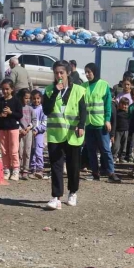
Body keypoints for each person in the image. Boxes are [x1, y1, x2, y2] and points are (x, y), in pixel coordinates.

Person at [44, 60, 87, 209]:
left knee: (73, 166)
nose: (58, 75)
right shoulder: (49, 90)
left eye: (61, 72)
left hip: (72, 134)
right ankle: (56, 197)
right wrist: (56, 91)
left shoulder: (79, 90)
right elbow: (47, 110)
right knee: (56, 165)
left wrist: (81, 125)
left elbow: (83, 110)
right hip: (55, 134)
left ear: (68, 73)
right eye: (56, 73)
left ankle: (73, 192)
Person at [82, 63, 122, 183]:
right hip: (89, 124)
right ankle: (95, 173)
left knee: (105, 149)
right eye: (86, 72)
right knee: (91, 149)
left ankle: (111, 172)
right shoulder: (83, 86)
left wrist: (107, 120)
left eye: (89, 72)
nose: (87, 74)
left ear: (95, 71)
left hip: (101, 124)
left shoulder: (104, 85)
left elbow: (107, 105)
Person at [0, 79, 23, 181]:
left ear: (12, 89)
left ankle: (15, 170)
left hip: (13, 128)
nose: (5, 91)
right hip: (2, 128)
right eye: (3, 89)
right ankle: (6, 169)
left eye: (7, 89)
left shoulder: (16, 101)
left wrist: (11, 112)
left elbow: (20, 115)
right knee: (4, 150)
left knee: (14, 150)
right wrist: (0, 115)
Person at [18, 89, 36, 180]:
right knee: (20, 151)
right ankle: (19, 169)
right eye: (26, 98)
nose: (28, 100)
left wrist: (29, 128)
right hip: (20, 133)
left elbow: (34, 120)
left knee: (27, 151)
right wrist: (20, 129)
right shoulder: (18, 108)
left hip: (28, 133)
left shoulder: (31, 109)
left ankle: (25, 170)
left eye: (29, 98)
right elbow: (16, 120)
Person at [29, 90, 48, 179]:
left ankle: (40, 169)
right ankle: (32, 168)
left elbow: (44, 123)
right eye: (34, 99)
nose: (36, 100)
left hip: (39, 134)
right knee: (31, 151)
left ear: (41, 99)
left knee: (38, 151)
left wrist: (37, 129)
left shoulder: (43, 109)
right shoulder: (29, 108)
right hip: (30, 133)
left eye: (38, 98)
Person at [112, 97, 131, 163]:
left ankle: (122, 157)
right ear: (119, 104)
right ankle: (114, 157)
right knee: (116, 145)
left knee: (124, 146)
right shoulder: (117, 113)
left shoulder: (128, 113)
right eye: (123, 104)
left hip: (126, 131)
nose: (124, 106)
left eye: (126, 105)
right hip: (118, 131)